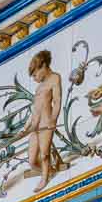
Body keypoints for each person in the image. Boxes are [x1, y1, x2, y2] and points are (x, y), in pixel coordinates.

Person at [27, 49, 63, 190]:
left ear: (43, 66)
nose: (35, 78)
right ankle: (48, 171)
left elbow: (57, 101)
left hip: (46, 123)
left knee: (44, 154)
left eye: (35, 74)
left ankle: (44, 178)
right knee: (31, 161)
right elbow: (35, 109)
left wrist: (53, 119)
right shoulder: (39, 88)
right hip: (35, 126)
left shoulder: (55, 78)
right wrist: (26, 126)